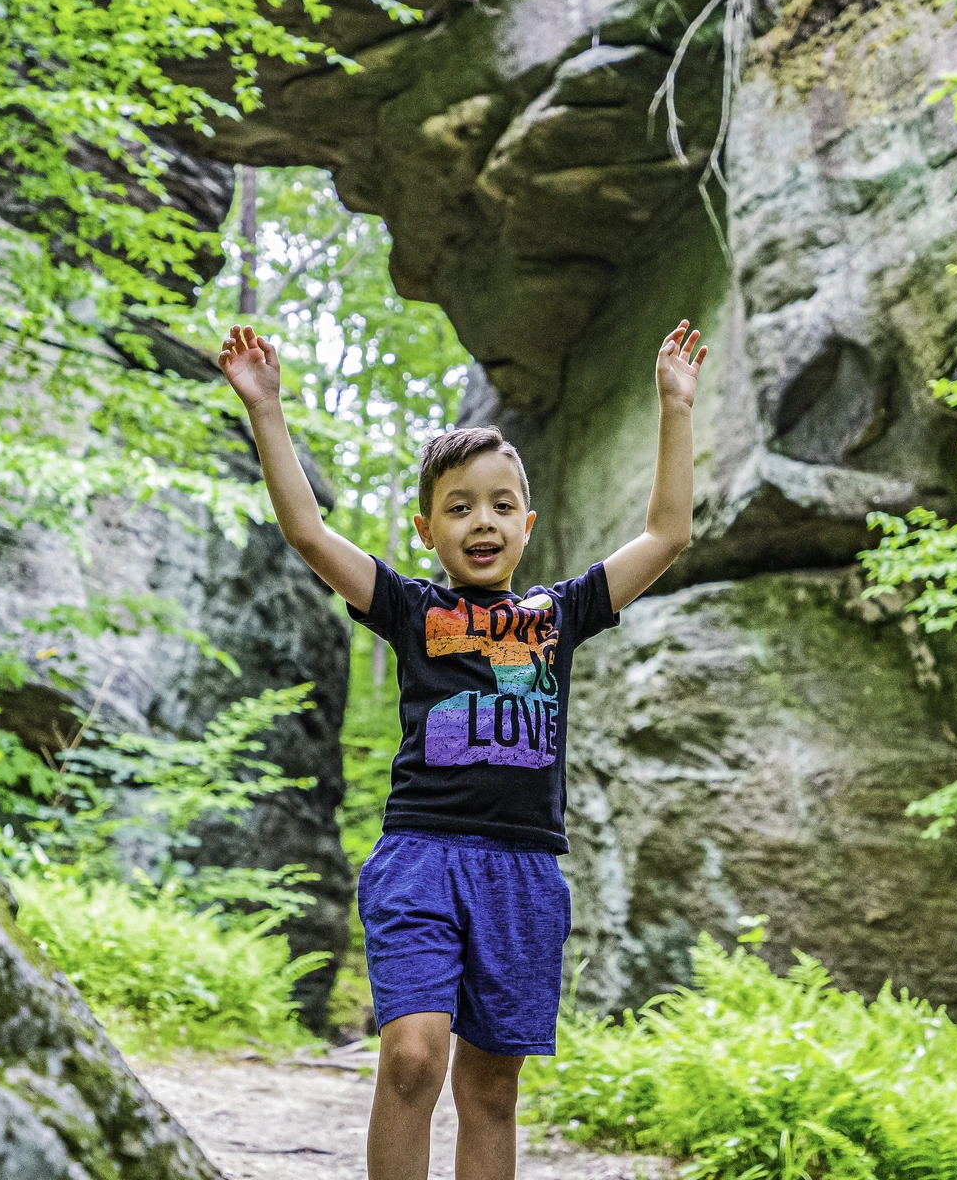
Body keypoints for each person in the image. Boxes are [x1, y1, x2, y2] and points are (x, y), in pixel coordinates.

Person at [218, 318, 705, 1180]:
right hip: (421, 859)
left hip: (523, 873)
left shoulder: (556, 617)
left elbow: (666, 536)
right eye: (459, 507)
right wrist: (267, 409)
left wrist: (674, 404)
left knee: (491, 1090)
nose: (482, 521)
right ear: (427, 529)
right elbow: (308, 534)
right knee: (412, 1056)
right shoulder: (410, 609)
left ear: (527, 524)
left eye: (500, 506)